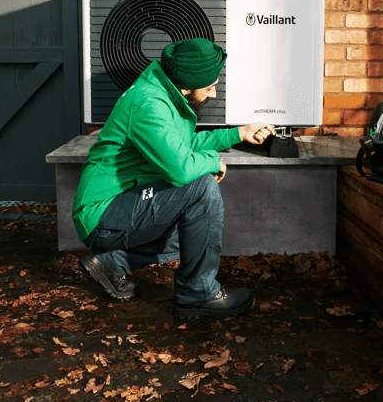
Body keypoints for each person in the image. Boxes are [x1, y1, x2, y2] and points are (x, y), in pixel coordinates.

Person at [72, 38, 274, 319]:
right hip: (103, 213)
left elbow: (184, 143)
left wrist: (239, 133)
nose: (213, 94)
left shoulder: (163, 91)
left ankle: (110, 263)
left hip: (122, 203)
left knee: (197, 231)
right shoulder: (149, 104)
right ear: (187, 85)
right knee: (201, 188)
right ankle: (198, 295)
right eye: (209, 87)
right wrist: (213, 161)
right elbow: (180, 168)